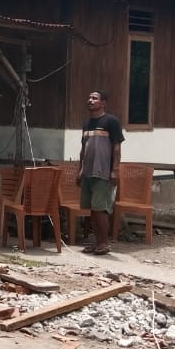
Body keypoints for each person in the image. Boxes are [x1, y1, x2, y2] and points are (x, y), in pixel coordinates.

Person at [78, 90, 124, 255]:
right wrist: (80, 170)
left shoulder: (111, 121)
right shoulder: (86, 123)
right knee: (92, 209)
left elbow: (116, 148)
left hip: (103, 172)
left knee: (100, 209)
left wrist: (115, 170)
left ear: (103, 103)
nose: (90, 100)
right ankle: (96, 242)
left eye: (94, 98)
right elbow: (84, 148)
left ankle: (104, 243)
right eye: (89, 97)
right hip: (88, 172)